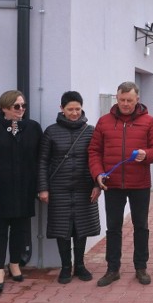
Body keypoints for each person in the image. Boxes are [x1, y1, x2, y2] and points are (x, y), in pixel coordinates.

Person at [89, 82, 153, 287]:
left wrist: (146, 155)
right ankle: (112, 269)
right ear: (117, 98)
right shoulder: (104, 122)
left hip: (139, 184)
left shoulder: (148, 122)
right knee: (113, 228)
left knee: (141, 226)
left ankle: (141, 267)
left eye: (129, 100)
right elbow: (94, 151)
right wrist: (98, 174)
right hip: (112, 184)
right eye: (121, 100)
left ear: (137, 99)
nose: (125, 104)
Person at [0, 90, 41, 292]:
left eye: (23, 106)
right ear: (4, 107)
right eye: (16, 106)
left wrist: (39, 184)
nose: (21, 110)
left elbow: (40, 157)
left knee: (20, 228)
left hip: (23, 187)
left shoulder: (32, 128)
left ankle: (14, 263)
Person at [38, 91, 101, 284]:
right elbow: (42, 161)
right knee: (62, 229)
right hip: (59, 188)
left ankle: (80, 265)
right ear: (62, 109)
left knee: (81, 228)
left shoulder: (91, 131)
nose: (74, 113)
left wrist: (97, 185)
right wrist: (43, 188)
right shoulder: (51, 131)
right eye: (70, 109)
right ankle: (66, 266)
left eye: (77, 109)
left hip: (84, 188)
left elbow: (97, 159)